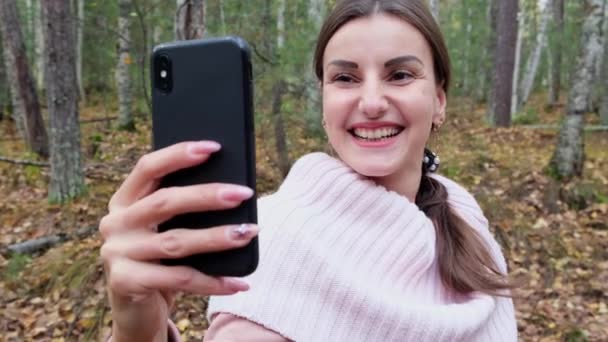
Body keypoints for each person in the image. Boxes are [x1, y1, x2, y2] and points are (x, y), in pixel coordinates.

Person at [100, 0, 518, 341]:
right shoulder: (277, 237)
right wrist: (137, 335)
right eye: (345, 78)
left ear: (439, 101)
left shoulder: (462, 215)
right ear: (324, 102)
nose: (371, 102)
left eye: (401, 74)